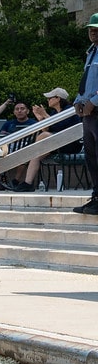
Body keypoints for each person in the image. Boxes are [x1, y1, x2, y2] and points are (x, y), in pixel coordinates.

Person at [75, 13, 98, 215]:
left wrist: (93, 102)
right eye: (91, 28)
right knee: (91, 157)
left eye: (96, 29)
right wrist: (78, 101)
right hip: (89, 115)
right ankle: (96, 197)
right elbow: (86, 81)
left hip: (97, 110)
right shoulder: (91, 52)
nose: (92, 31)